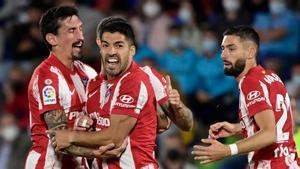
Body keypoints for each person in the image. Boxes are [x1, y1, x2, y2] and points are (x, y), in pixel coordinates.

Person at [49, 16, 193, 169]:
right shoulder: (93, 85)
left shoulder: (137, 80)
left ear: (132, 50)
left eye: (119, 46)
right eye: (106, 45)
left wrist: (70, 136)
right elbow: (101, 141)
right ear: (99, 46)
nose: (111, 52)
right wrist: (83, 138)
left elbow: (114, 138)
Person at [25, 6, 124, 169]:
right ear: (52, 39)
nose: (81, 36)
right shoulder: (46, 77)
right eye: (72, 30)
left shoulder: (88, 73)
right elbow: (60, 139)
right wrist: (99, 152)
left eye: (80, 29)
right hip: (50, 164)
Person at [192, 26, 300, 168]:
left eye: (231, 49)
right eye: (223, 48)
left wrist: (228, 149)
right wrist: (239, 127)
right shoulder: (271, 76)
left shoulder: (249, 82)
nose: (223, 55)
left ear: (250, 52)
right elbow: (277, 123)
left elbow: (269, 133)